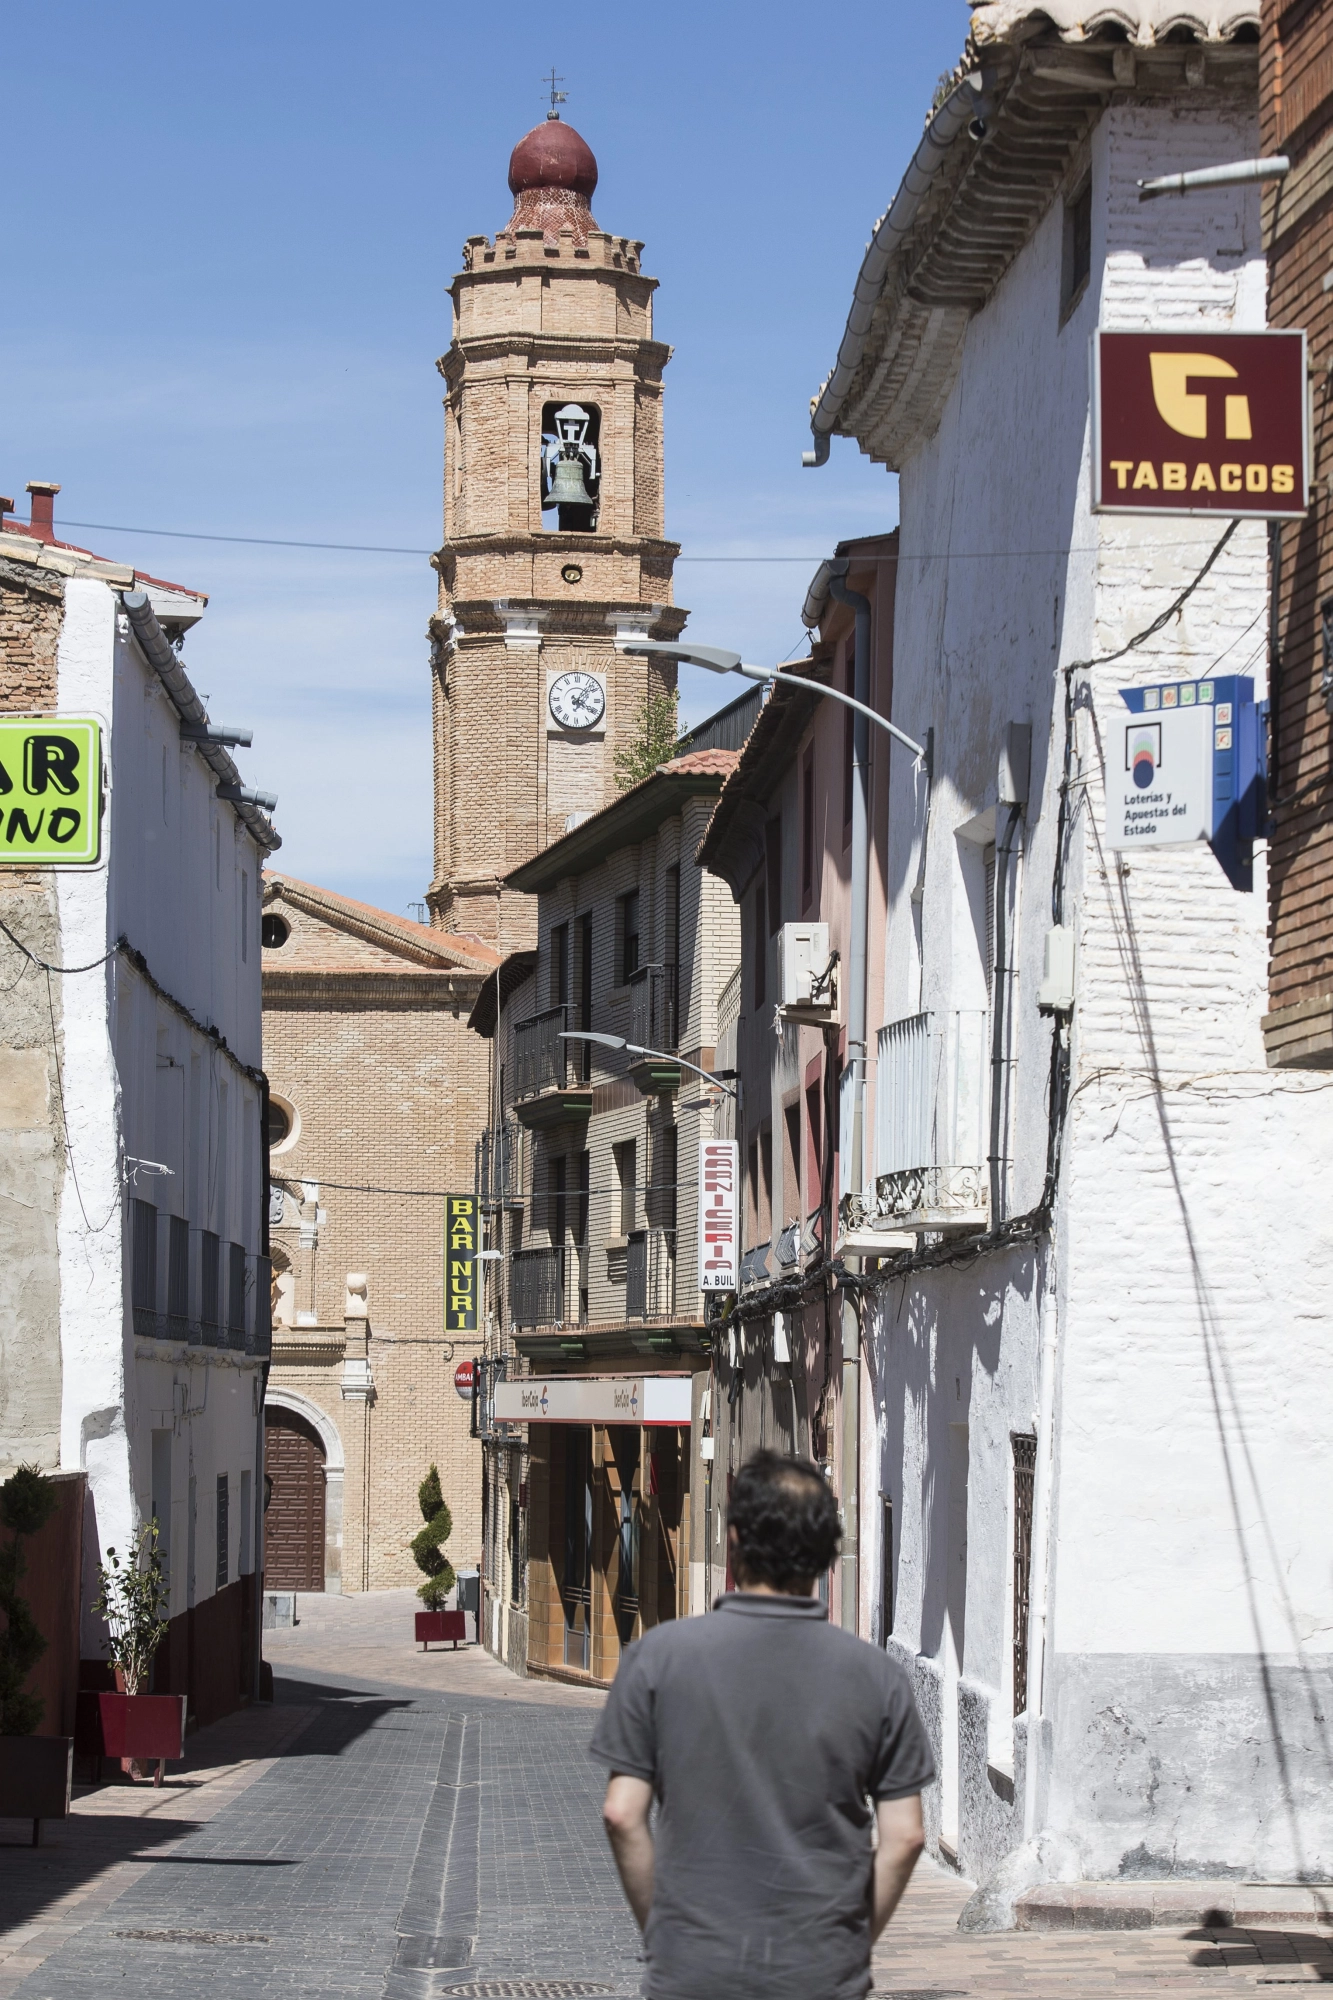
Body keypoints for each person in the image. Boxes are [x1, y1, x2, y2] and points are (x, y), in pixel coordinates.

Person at [590, 1449, 934, 2000]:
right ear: (827, 1556)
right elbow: (906, 1836)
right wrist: (846, 1945)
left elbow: (622, 1813)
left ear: (733, 1541)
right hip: (820, 1973)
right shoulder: (877, 1678)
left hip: (693, 1971)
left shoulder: (656, 1659)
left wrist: (669, 1938)